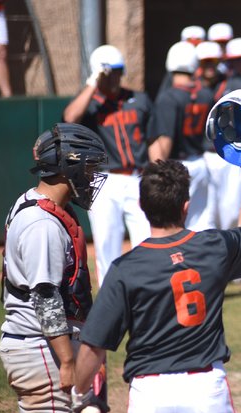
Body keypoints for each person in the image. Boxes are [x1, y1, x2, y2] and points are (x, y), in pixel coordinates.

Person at [71, 108, 241, 413]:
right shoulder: (213, 247)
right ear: (186, 206)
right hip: (207, 390)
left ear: (143, 209)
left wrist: (79, 395)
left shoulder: (125, 268)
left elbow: (93, 347)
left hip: (150, 393)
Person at [0, 123, 108, 413]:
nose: (92, 176)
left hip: (40, 346)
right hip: (41, 349)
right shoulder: (42, 225)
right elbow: (45, 297)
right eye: (88, 167)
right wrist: (69, 363)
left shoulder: (34, 202)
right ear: (67, 168)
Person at [63, 45, 160, 286]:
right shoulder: (90, 103)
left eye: (117, 71)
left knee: (147, 237)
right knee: (107, 242)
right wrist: (94, 81)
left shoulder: (140, 99)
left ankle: (148, 290)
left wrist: (157, 175)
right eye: (108, 72)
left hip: (138, 177)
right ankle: (111, 295)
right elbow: (69, 118)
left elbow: (153, 140)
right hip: (104, 180)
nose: (114, 76)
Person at [155, 41, 216, 231]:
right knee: (201, 222)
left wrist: (157, 171)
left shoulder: (168, 97)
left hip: (177, 166)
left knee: (176, 224)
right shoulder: (206, 94)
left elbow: (165, 140)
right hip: (200, 161)